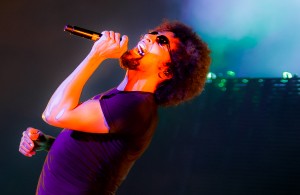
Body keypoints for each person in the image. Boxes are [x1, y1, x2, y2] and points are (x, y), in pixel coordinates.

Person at [19, 20, 211, 194]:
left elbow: (54, 114)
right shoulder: (124, 99)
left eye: (161, 41)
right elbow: (92, 158)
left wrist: (96, 55)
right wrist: (49, 144)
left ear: (168, 71)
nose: (148, 37)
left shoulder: (135, 106)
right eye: (152, 33)